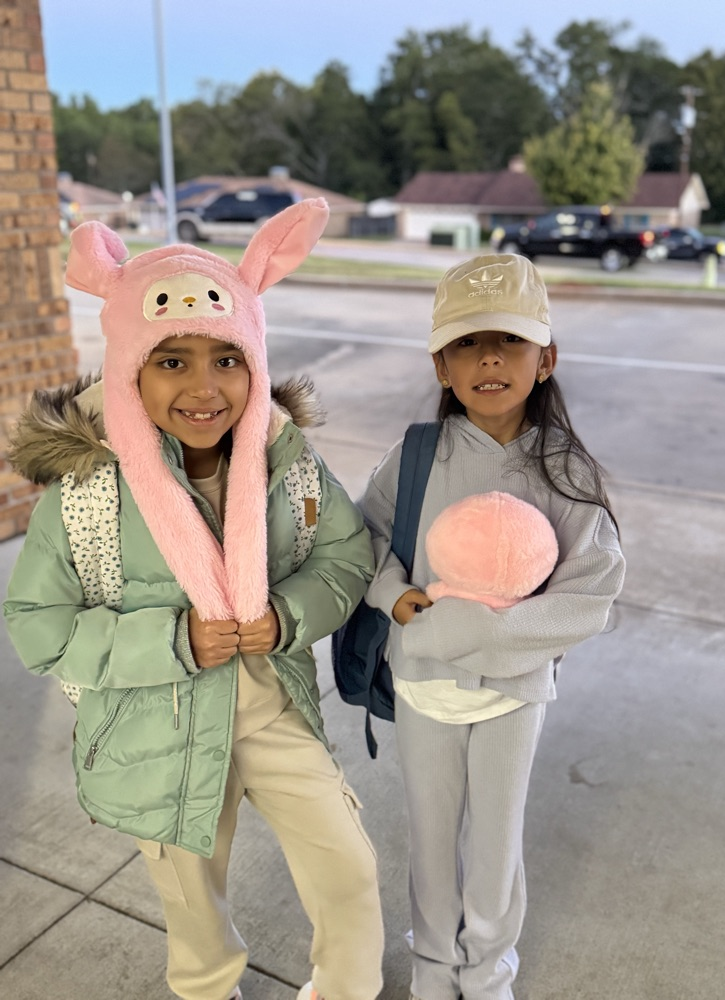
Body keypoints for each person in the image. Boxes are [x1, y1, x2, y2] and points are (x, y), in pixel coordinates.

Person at [3, 200, 384, 1000]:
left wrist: (289, 616)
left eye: (227, 358)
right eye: (172, 361)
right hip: (155, 724)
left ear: (255, 357)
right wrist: (173, 639)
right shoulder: (85, 488)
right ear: (128, 366)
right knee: (193, 913)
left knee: (347, 867)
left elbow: (345, 551)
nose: (205, 388)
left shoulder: (287, 461)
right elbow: (38, 626)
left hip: (269, 705)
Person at [357, 253, 626, 1000]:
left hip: (513, 695)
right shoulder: (415, 455)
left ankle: (488, 971)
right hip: (424, 686)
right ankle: (435, 967)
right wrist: (394, 597)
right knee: (433, 835)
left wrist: (489, 636)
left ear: (546, 359)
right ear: (442, 365)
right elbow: (363, 538)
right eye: (468, 344)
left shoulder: (564, 467)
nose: (488, 360)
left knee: (496, 839)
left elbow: (592, 590)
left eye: (508, 341)